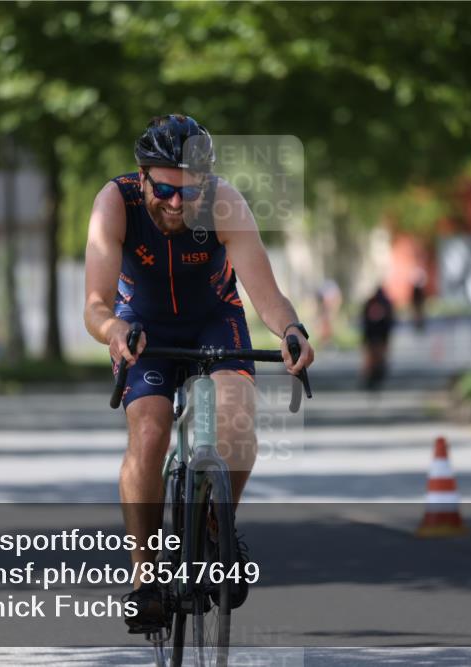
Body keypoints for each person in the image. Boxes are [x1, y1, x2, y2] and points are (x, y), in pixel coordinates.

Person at [83, 114, 314, 633]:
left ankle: (217, 525)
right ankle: (145, 579)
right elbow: (94, 304)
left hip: (213, 316)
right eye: (164, 189)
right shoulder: (113, 203)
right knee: (148, 430)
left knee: (236, 416)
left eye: (189, 193)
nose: (176, 204)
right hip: (141, 324)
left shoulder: (225, 202)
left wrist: (291, 330)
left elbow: (266, 292)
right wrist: (113, 331)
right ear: (141, 176)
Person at [360, 284, 395, 389]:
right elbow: (390, 321)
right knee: (378, 357)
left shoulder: (370, 302)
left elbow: (364, 320)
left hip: (371, 334)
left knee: (371, 358)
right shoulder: (386, 303)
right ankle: (375, 376)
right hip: (380, 335)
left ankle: (372, 377)